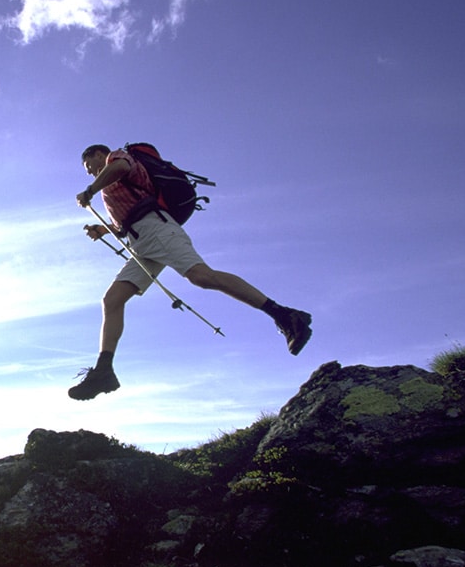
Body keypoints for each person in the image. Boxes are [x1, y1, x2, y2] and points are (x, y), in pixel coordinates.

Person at [71, 144, 312, 401]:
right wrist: (104, 229)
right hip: (141, 241)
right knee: (112, 300)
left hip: (157, 229)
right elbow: (126, 220)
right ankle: (104, 371)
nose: (91, 174)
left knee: (201, 276)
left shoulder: (116, 158)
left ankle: (286, 315)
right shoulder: (111, 188)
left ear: (99, 155)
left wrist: (90, 191)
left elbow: (120, 168)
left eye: (90, 167)